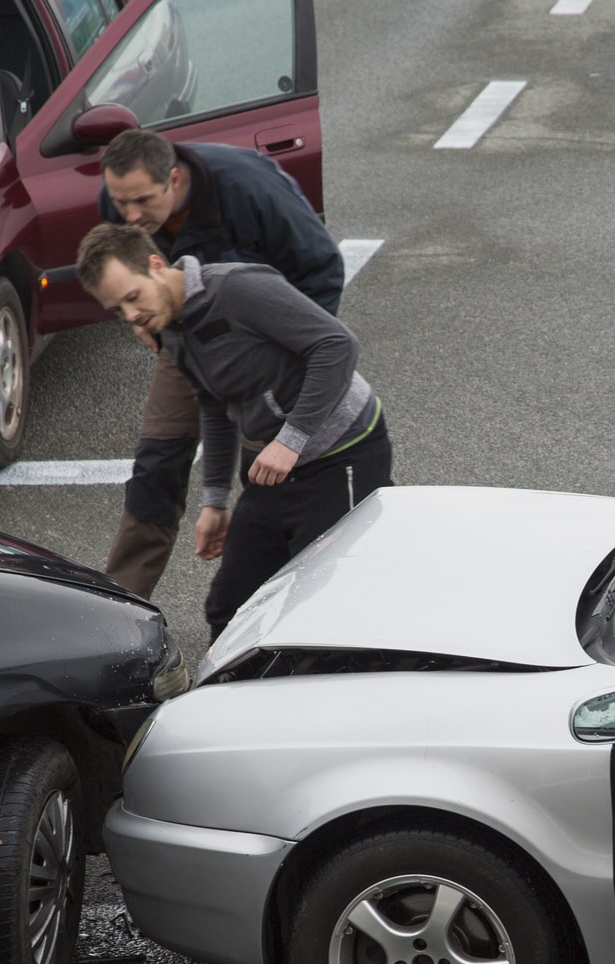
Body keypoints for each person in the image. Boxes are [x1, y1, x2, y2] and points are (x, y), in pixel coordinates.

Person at [75, 223, 392, 639]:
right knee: (230, 605)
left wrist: (291, 440)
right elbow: (215, 404)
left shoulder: (238, 289)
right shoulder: (172, 327)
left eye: (132, 297)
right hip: (273, 466)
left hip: (341, 453)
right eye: (118, 310)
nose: (131, 316)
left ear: (155, 265)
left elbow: (337, 345)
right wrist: (216, 501)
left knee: (320, 601)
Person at [94, 128, 346, 598]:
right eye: (119, 201)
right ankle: (118, 611)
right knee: (155, 467)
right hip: (185, 341)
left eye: (142, 201)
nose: (130, 215)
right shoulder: (123, 201)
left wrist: (287, 359)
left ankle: (297, 604)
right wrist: (145, 324)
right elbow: (121, 269)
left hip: (265, 340)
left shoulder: (249, 188)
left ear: (173, 179)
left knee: (274, 475)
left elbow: (323, 270)